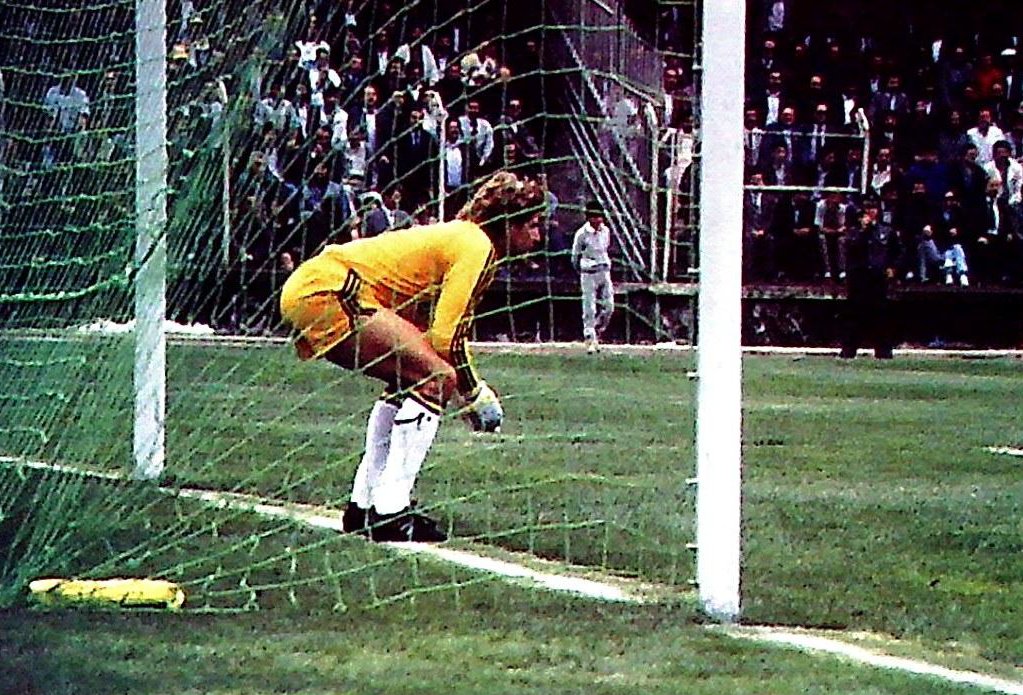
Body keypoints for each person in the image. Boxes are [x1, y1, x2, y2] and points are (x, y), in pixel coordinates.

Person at [279, 172, 546, 542]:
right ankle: (391, 510)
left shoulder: (463, 239)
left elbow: (434, 331)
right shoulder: (477, 245)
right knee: (437, 378)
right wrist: (473, 392)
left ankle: (363, 505)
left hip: (316, 285)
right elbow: (446, 337)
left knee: (410, 379)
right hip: (331, 289)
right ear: (508, 224)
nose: (538, 237)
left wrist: (468, 388)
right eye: (533, 225)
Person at [839, 196, 901, 359]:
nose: (870, 212)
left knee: (880, 316)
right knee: (854, 316)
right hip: (859, 279)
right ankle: (848, 351)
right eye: (867, 208)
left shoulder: (886, 231)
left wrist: (893, 268)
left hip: (878, 278)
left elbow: (897, 252)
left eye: (873, 208)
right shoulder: (854, 232)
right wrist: (863, 230)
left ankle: (883, 351)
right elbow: (850, 249)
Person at [571, 200, 614, 353]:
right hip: (588, 273)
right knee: (589, 308)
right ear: (589, 217)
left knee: (609, 306)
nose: (597, 220)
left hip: (604, 271)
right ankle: (589, 338)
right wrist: (582, 269)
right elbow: (575, 256)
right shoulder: (581, 234)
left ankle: (597, 331)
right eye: (594, 217)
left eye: (599, 216)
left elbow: (605, 249)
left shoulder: (606, 231)